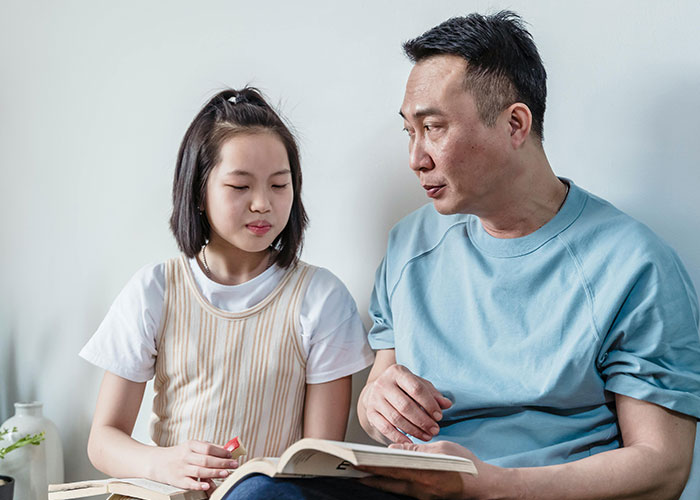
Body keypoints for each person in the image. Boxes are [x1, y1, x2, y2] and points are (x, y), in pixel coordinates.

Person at [225, 11, 700, 500]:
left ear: (515, 124)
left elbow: (662, 467)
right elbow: (383, 391)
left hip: (538, 491)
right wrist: (376, 400)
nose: (416, 158)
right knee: (259, 493)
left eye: (434, 128)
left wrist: (493, 486)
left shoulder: (634, 264)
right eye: (409, 131)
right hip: (411, 488)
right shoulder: (408, 244)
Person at [80, 87, 374, 491]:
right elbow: (103, 440)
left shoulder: (320, 296)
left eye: (279, 185)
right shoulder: (156, 289)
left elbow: (317, 462)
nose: (262, 204)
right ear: (199, 192)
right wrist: (162, 462)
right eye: (240, 187)